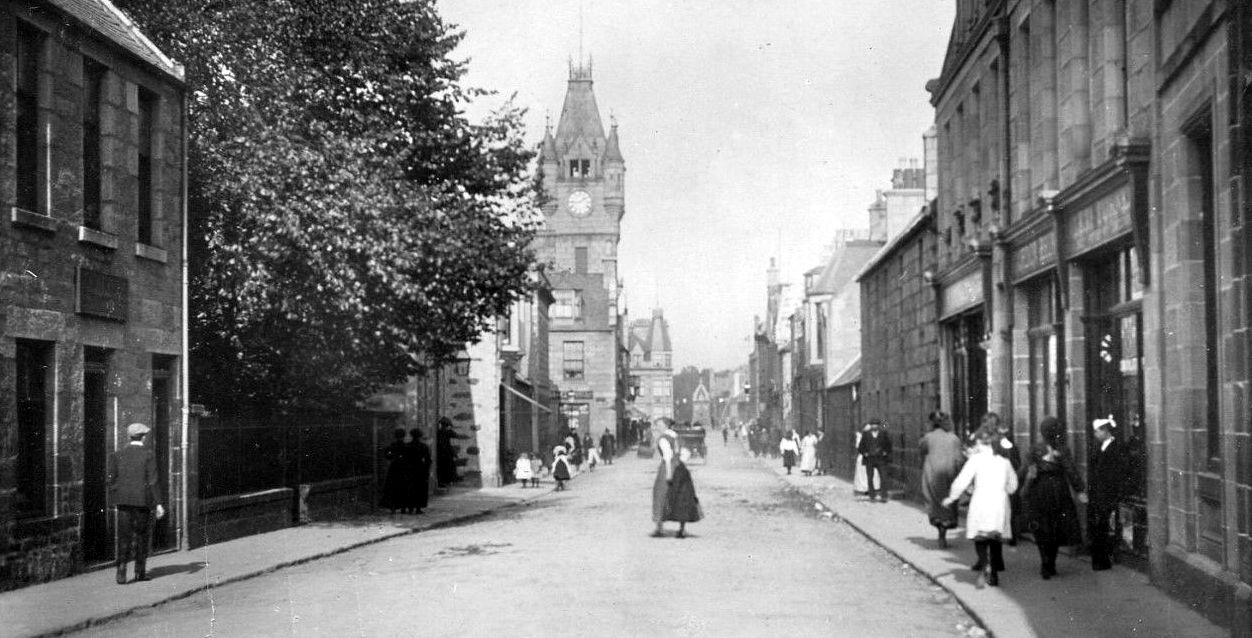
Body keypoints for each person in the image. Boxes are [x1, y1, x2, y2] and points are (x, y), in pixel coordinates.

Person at [942, 427, 1019, 587]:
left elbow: (962, 480)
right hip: (999, 502)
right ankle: (995, 573)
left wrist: (952, 497)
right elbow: (1013, 485)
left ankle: (986, 566)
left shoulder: (975, 460)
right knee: (995, 535)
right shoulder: (1004, 461)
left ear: (979, 443)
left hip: (981, 501)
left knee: (980, 537)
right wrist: (1005, 490)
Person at [1020, 429, 1087, 579]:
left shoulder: (1034, 449)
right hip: (1059, 491)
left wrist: (1023, 488)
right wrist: (1080, 490)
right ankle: (1051, 563)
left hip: (1040, 490)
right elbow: (1071, 470)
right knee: (1056, 528)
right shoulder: (1063, 450)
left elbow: (1029, 471)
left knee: (1041, 529)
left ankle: (1045, 562)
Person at [108, 423, 165, 584]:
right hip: (142, 503)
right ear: (144, 437)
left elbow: (111, 480)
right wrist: (159, 503)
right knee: (142, 536)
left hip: (124, 502)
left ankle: (121, 572)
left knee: (124, 536)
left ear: (129, 436)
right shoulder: (148, 454)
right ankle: (140, 572)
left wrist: (118, 495)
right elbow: (153, 481)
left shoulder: (117, 454)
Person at [919, 412, 964, 548]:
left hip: (932, 474)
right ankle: (943, 533)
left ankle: (941, 533)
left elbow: (921, 451)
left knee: (934, 503)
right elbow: (959, 459)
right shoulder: (954, 439)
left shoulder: (927, 438)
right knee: (948, 504)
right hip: (949, 475)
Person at [1088, 415, 1127, 571]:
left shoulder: (1115, 447)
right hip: (1099, 493)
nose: (1095, 434)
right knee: (1099, 526)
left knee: (1103, 526)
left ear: (1105, 431)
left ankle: (1103, 559)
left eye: (1097, 431)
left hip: (1108, 493)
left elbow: (1118, 471)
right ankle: (1099, 560)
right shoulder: (1101, 446)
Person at [652, 422, 702, 538]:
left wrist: (669, 474)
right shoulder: (677, 436)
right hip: (680, 468)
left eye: (659, 425)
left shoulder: (663, 438)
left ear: (664, 426)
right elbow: (686, 453)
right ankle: (682, 529)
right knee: (682, 497)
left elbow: (667, 456)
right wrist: (680, 462)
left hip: (668, 468)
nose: (657, 428)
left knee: (660, 494)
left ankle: (659, 527)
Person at [858, 419, 893, 502]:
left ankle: (884, 496)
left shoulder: (883, 434)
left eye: (876, 424)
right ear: (871, 425)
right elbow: (860, 447)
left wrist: (885, 452)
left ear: (878, 426)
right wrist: (865, 453)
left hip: (881, 459)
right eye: (873, 424)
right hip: (869, 459)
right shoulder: (866, 434)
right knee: (870, 478)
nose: (874, 426)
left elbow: (889, 445)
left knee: (883, 477)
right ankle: (872, 496)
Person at [380, 428, 411, 514]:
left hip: (394, 468)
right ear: (403, 436)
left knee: (393, 487)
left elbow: (387, 455)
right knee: (404, 487)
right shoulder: (406, 446)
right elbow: (409, 458)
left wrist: (392, 458)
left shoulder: (392, 446)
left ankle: (393, 507)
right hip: (404, 469)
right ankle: (403, 508)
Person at [406, 429, 432, 513]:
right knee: (420, 488)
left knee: (410, 488)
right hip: (420, 468)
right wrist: (426, 469)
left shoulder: (407, 446)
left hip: (409, 468)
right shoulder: (424, 446)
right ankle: (418, 508)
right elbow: (428, 460)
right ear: (420, 436)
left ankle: (410, 507)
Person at [436, 417, 466, 488]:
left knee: (442, 467)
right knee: (449, 466)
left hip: (440, 452)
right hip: (446, 452)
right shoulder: (448, 432)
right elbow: (456, 436)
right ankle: (448, 480)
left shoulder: (439, 432)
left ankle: (443, 481)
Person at [853, 425, 870, 498]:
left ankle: (868, 489)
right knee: (862, 474)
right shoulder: (860, 437)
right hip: (863, 457)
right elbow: (858, 447)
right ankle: (863, 489)